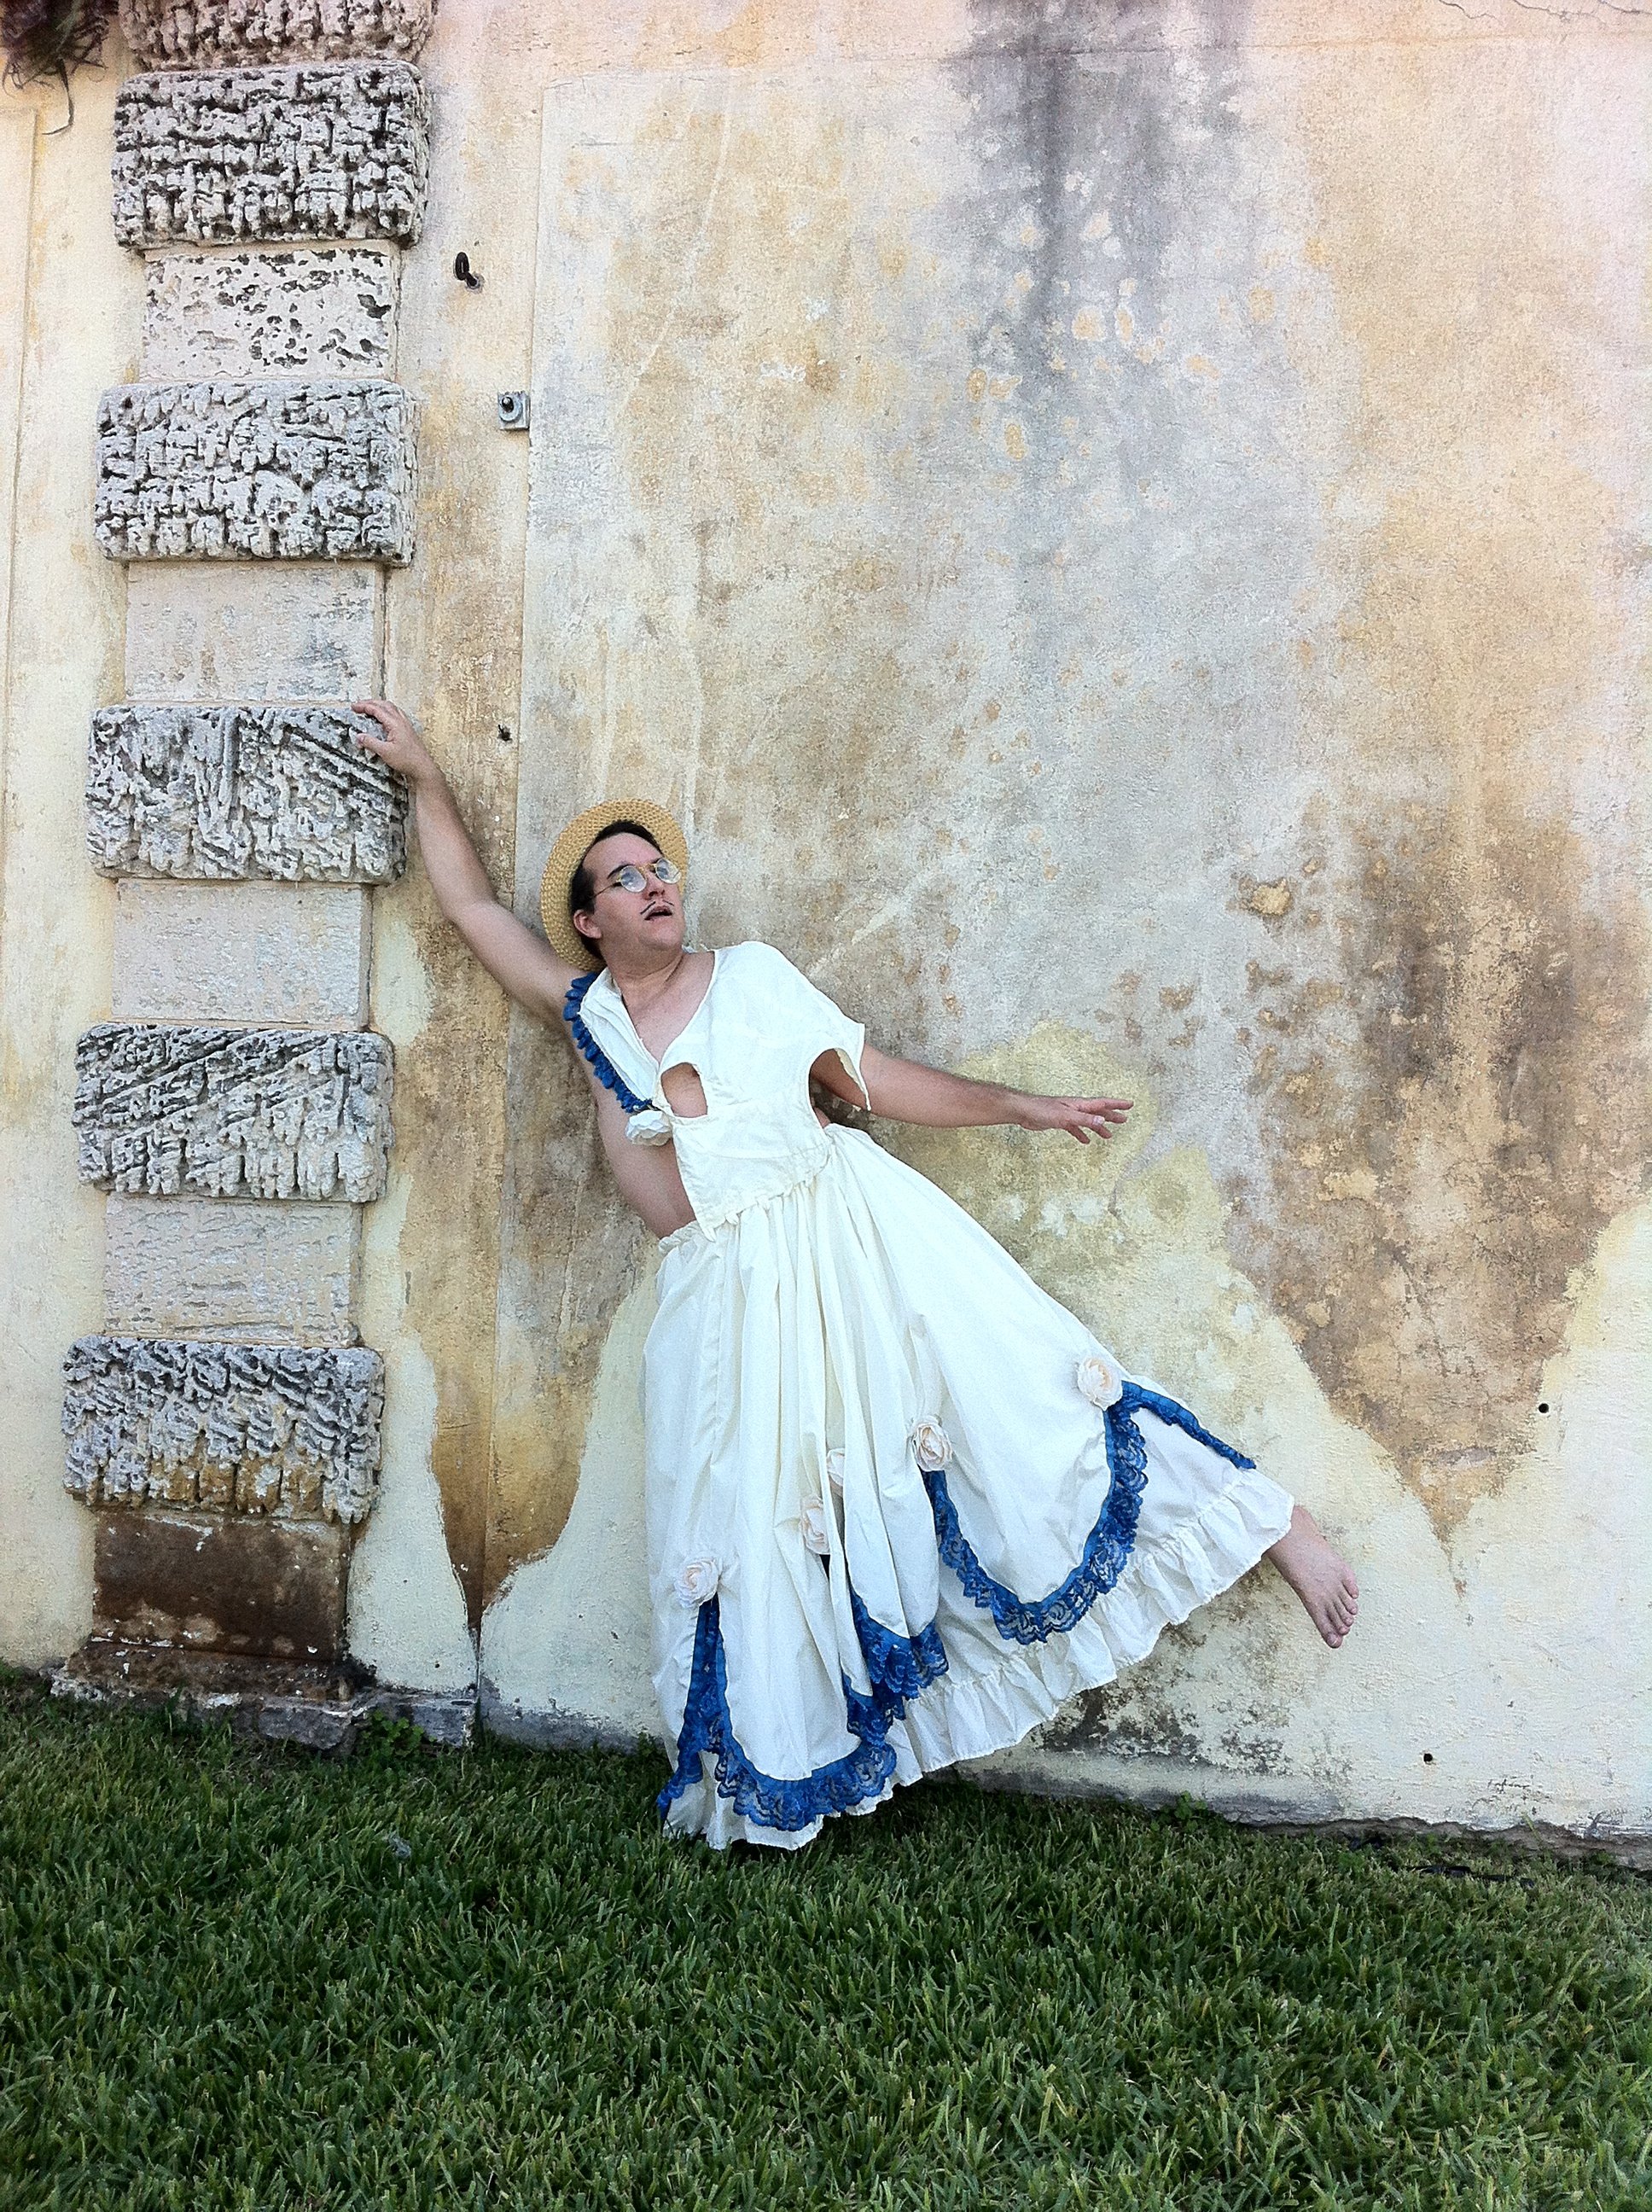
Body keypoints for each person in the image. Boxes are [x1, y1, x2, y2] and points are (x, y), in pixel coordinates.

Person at [355, 701, 1360, 1851]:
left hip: (845, 1246)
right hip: (721, 1303)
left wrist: (1024, 1111)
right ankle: (778, 1767)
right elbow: (475, 909)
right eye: (624, 878)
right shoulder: (589, 1014)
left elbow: (874, 1080)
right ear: (588, 922)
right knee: (747, 1525)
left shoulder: (756, 979)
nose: (654, 884)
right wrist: (428, 776)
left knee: (1018, 1398)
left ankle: (1270, 1523)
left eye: (660, 867)